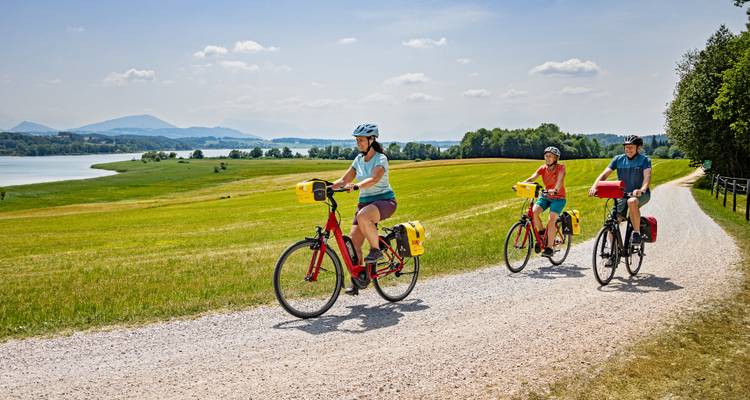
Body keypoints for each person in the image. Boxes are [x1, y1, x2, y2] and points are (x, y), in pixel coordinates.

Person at [331, 123, 397, 295]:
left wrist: (357, 186)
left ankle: (376, 250)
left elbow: (374, 179)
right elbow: (344, 179)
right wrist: (329, 187)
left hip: (384, 201)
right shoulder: (358, 159)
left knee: (363, 216)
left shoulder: (381, 159)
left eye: (361, 140)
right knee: (352, 244)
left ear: (371, 140)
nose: (358, 143)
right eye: (357, 140)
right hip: (365, 205)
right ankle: (360, 278)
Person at [588, 135, 652, 244]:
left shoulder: (644, 160)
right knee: (611, 221)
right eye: (626, 147)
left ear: (638, 148)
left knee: (632, 201)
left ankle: (636, 233)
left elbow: (647, 177)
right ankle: (613, 255)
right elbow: (604, 175)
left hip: (640, 194)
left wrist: (642, 189)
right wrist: (595, 186)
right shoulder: (618, 159)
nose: (629, 150)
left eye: (631, 147)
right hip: (622, 195)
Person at [524, 146, 567, 257]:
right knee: (533, 213)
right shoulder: (542, 168)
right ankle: (542, 233)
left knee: (551, 219)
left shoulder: (561, 168)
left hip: (559, 198)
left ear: (555, 158)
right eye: (546, 156)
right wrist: (522, 184)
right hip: (546, 196)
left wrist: (555, 190)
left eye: (550, 156)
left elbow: (560, 180)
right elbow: (532, 178)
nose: (547, 158)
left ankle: (549, 248)